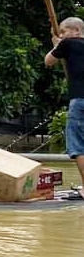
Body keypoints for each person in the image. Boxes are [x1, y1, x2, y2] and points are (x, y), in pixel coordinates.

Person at [45, 16, 84, 186]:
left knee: (79, 146)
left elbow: (48, 61)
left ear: (76, 30)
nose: (61, 35)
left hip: (80, 100)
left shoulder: (68, 44)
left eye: (63, 31)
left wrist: (56, 44)